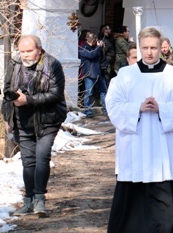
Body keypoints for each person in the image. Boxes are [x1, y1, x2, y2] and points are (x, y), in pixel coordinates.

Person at [105, 27, 173, 233]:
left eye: (154, 47)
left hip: (163, 145)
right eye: (145, 48)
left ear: (161, 46)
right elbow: (112, 105)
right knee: (136, 196)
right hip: (135, 143)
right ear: (139, 47)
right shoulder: (125, 74)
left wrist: (163, 108)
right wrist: (137, 108)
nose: (150, 52)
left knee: (162, 196)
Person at [3, 35, 67, 217]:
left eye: (29, 51)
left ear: (39, 49)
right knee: (28, 160)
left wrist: (28, 100)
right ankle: (28, 200)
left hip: (48, 118)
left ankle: (40, 198)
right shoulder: (14, 63)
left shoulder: (52, 64)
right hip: (22, 119)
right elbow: (6, 90)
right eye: (22, 51)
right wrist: (8, 118)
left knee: (42, 156)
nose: (25, 55)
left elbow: (55, 94)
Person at [79, 31, 107, 117]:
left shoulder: (97, 47)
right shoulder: (82, 48)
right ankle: (88, 110)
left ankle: (106, 109)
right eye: (92, 41)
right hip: (89, 74)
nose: (93, 43)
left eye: (94, 41)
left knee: (104, 91)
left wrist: (102, 48)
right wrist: (98, 47)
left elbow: (102, 57)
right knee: (89, 92)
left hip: (99, 73)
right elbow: (91, 55)